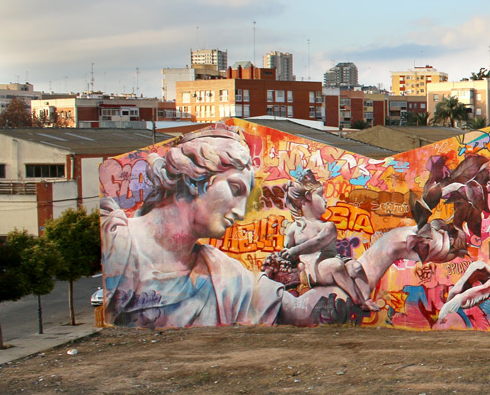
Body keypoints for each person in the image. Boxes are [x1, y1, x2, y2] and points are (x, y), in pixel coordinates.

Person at [102, 124, 451, 328]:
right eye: (235, 190)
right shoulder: (116, 237)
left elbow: (295, 310)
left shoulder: (229, 277)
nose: (239, 213)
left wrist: (388, 247)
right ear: (194, 177)